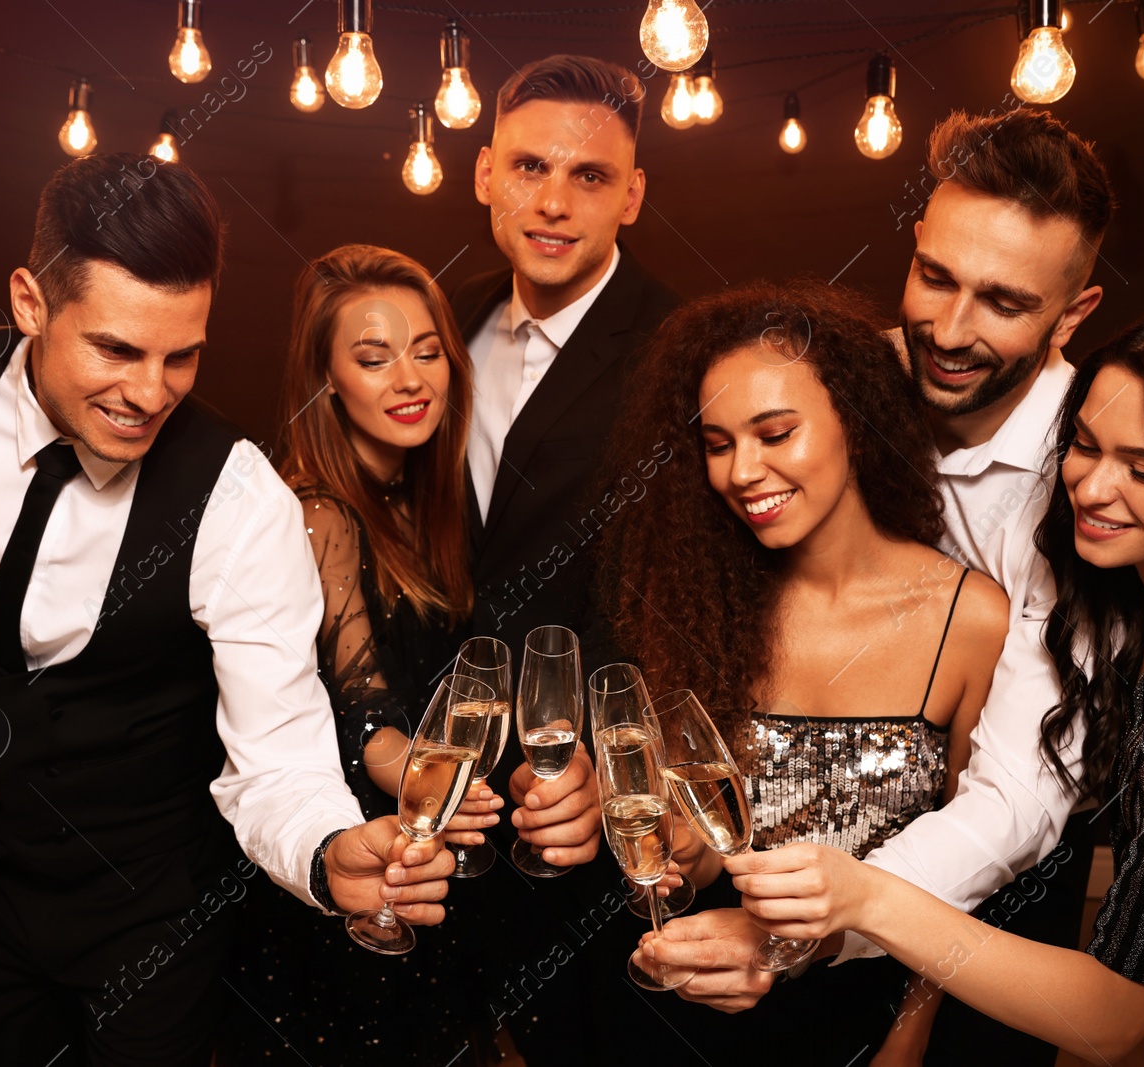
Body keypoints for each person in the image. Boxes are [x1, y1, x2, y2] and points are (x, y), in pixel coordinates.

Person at [0, 156, 454, 1065]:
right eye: (116, 349)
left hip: (156, 914)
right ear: (31, 302)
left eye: (182, 354)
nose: (150, 393)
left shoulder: (238, 496)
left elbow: (279, 756)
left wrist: (328, 846)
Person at [706, 303, 1144, 1064]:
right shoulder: (1132, 624)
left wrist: (866, 895)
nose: (1092, 487)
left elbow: (1110, 1014)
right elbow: (1014, 797)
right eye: (1085, 446)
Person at [649, 106, 1114, 1065]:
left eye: (1004, 302)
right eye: (934, 277)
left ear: (1074, 314)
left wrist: (810, 930)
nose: (948, 329)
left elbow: (1012, 801)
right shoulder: (848, 379)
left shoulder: (1092, 479)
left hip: (987, 928)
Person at [599, 279, 1008, 1061]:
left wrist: (909, 1034)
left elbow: (977, 877)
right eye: (717, 444)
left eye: (774, 433)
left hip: (868, 1012)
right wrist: (681, 860)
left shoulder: (970, 619)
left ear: (854, 421)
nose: (742, 471)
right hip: (709, 999)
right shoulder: (704, 602)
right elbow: (697, 838)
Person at [446, 54, 681, 1063]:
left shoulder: (682, 349)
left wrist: (613, 746)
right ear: (485, 172)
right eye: (531, 166)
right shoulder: (432, 328)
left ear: (631, 195)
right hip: (431, 797)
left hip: (585, 807)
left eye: (589, 177)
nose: (553, 201)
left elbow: (689, 588)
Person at [216, 244, 483, 1063]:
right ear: (327, 379)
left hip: (407, 856)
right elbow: (359, 698)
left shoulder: (422, 495)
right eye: (374, 357)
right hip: (339, 869)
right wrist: (421, 772)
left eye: (427, 350)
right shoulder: (312, 510)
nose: (410, 378)